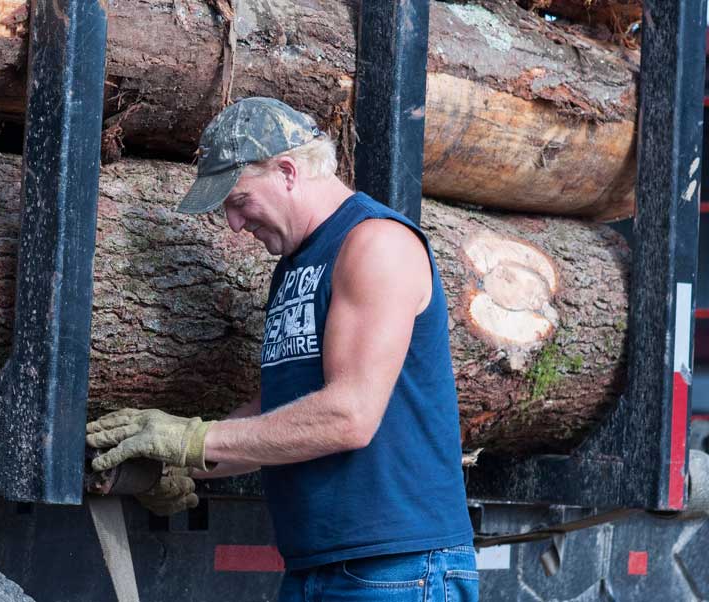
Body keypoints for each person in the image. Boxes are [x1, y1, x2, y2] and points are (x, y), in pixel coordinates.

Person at [85, 98, 478, 601]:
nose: (232, 222)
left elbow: (348, 415)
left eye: (238, 199)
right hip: (322, 564)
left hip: (395, 566)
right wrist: (178, 464)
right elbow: (283, 411)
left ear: (288, 171)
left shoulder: (375, 243)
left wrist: (192, 440)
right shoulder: (295, 269)